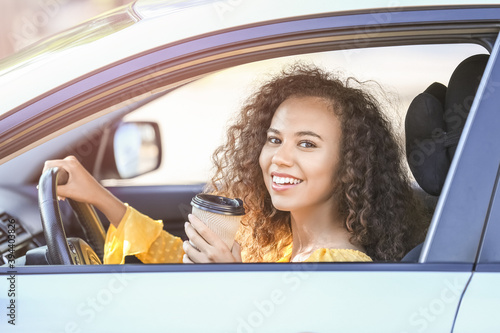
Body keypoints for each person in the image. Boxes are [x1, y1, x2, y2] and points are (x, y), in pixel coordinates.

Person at [43, 64, 424, 264]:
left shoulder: (337, 267)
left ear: (350, 167)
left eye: (307, 144)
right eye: (274, 139)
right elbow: (176, 258)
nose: (280, 158)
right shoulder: (286, 245)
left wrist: (227, 279)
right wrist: (100, 198)